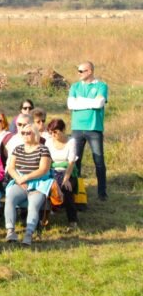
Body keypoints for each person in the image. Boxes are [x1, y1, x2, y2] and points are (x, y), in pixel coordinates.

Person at [4, 123, 53, 246]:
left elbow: (43, 169)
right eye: (23, 133)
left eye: (28, 133)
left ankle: (28, 233)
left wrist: (26, 177)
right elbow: (11, 168)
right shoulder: (18, 148)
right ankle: (10, 230)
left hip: (38, 183)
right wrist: (19, 179)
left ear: (35, 134)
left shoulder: (43, 149)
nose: (25, 135)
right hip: (20, 182)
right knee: (10, 198)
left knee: (33, 205)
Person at [68, 62, 108, 201]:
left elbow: (99, 103)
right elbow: (70, 104)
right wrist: (90, 102)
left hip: (94, 128)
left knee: (99, 160)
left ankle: (102, 193)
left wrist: (80, 101)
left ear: (90, 71)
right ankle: (77, 192)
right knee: (75, 160)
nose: (78, 73)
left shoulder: (101, 86)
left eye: (81, 71)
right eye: (78, 70)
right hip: (77, 128)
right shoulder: (75, 86)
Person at [47, 119, 79, 231]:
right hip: (53, 171)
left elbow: (71, 162)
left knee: (66, 188)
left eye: (55, 132)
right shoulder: (49, 142)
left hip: (68, 172)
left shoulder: (71, 141)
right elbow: (47, 161)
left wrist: (66, 179)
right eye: (51, 132)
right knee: (46, 187)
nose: (53, 135)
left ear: (63, 130)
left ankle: (72, 220)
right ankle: (44, 217)